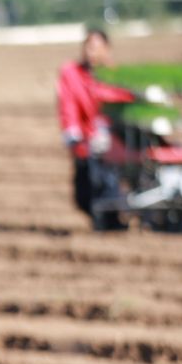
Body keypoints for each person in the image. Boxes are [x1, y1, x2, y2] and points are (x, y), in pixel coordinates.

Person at [56, 28, 134, 231]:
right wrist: (72, 133)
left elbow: (123, 102)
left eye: (95, 47)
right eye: (87, 47)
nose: (90, 52)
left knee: (107, 182)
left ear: (107, 50)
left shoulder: (115, 76)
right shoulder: (72, 74)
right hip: (86, 141)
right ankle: (103, 215)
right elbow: (68, 106)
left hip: (112, 141)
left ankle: (113, 220)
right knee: (82, 195)